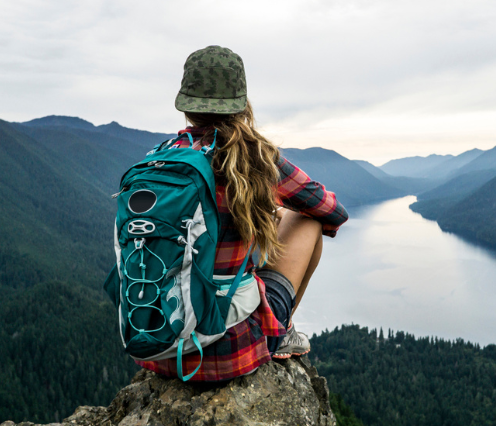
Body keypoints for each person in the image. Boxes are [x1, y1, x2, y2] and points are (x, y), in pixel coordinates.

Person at [134, 45, 348, 381]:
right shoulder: (257, 158)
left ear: (187, 107)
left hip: (160, 347)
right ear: (241, 103)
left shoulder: (158, 161)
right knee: (308, 221)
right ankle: (281, 332)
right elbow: (332, 211)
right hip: (233, 350)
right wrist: (270, 207)